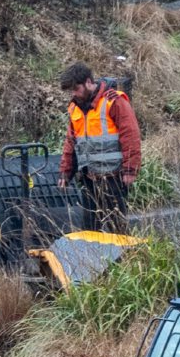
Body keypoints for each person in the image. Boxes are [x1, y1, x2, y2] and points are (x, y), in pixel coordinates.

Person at [58, 63, 142, 232]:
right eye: (71, 91)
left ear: (89, 82)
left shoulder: (114, 101)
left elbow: (130, 136)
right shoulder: (75, 108)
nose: (74, 94)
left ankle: (123, 258)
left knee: (116, 227)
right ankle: (92, 259)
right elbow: (71, 143)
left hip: (114, 177)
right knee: (90, 229)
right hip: (89, 177)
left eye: (76, 88)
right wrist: (65, 172)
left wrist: (130, 170)